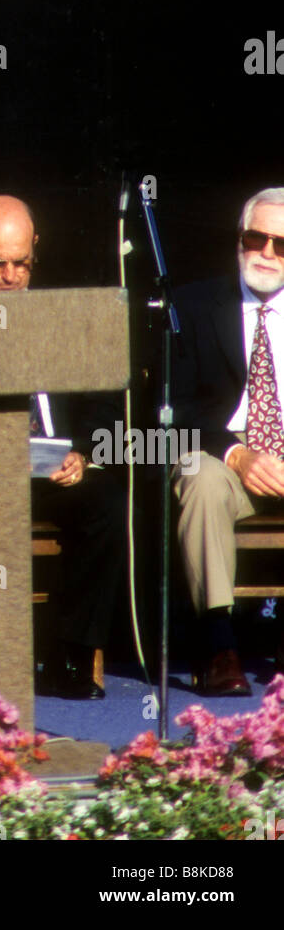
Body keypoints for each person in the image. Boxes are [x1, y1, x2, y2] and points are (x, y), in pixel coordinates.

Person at [0, 195, 125, 699]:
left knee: (106, 502)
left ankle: (73, 659)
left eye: (21, 262)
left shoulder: (63, 316)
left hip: (55, 472)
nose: (10, 276)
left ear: (36, 250)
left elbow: (102, 400)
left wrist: (80, 451)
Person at [172, 186, 284, 696]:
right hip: (225, 452)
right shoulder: (195, 306)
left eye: (281, 245)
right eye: (255, 238)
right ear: (238, 240)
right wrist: (237, 453)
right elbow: (171, 413)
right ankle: (219, 644)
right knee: (197, 475)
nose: (266, 253)